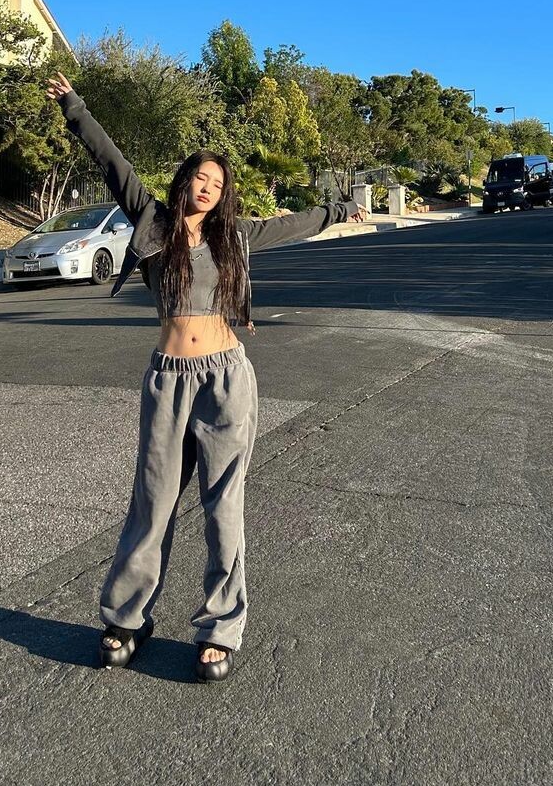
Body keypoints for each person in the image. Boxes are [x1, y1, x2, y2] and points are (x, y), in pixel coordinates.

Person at [45, 71, 365, 682]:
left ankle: (220, 626)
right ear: (184, 180)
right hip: (169, 379)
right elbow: (111, 162)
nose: (208, 189)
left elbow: (294, 224)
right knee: (153, 501)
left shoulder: (234, 236)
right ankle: (127, 618)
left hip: (225, 379)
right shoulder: (151, 222)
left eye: (218, 184)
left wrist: (340, 208)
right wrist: (73, 106)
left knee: (224, 506)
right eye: (201, 178)